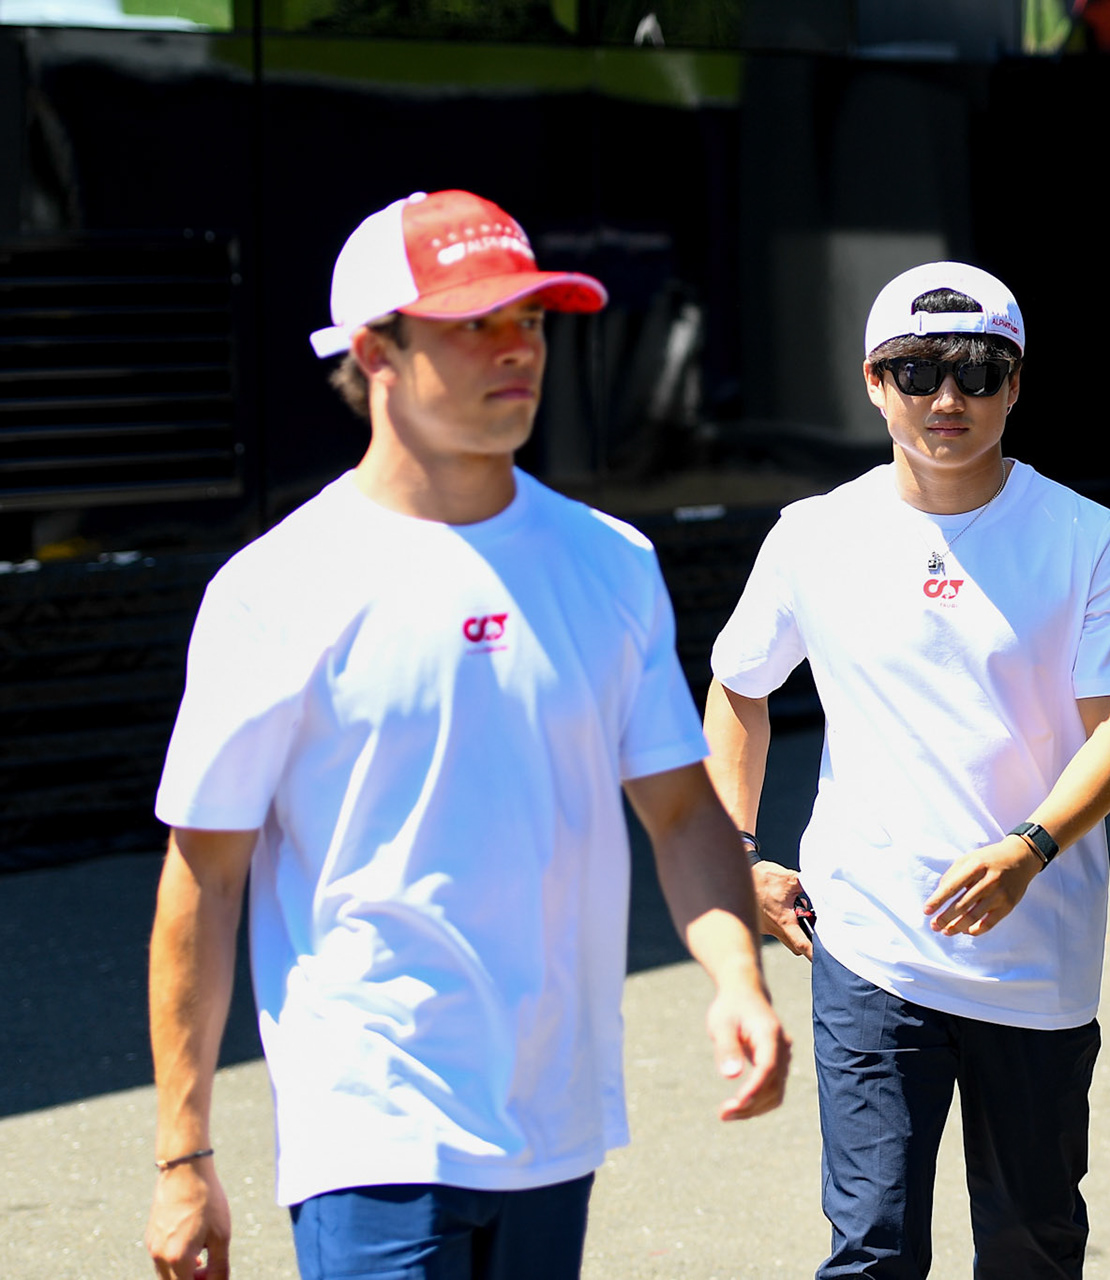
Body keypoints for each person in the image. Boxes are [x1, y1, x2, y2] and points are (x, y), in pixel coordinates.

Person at [143, 189, 789, 1280]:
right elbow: (203, 876)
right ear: (373, 352)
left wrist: (737, 974)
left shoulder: (610, 561)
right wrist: (182, 1153)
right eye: (473, 321)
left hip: (555, 1116)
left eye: (530, 319)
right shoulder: (273, 590)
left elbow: (680, 808)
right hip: (370, 1125)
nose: (516, 348)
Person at [703, 262, 1110, 1279]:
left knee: (1031, 1243)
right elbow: (739, 687)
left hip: (1035, 951)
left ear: (1016, 384)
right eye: (916, 370)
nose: (946, 397)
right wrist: (738, 851)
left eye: (976, 370)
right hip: (871, 944)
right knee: (871, 1245)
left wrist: (1029, 848)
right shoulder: (816, 535)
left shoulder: (1085, 538)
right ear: (873, 381)